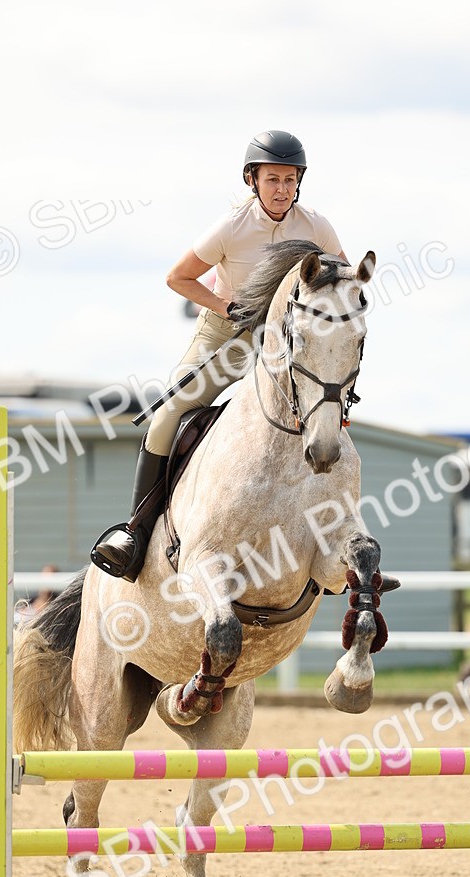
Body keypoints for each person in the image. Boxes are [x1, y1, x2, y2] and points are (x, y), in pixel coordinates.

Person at [90, 129, 345, 583]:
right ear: (253, 180)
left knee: (326, 408)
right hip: (227, 336)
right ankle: (134, 531)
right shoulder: (230, 228)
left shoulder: (316, 226)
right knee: (170, 412)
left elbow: (340, 276)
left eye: (290, 180)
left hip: (286, 343)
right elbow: (178, 278)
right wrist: (229, 307)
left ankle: (333, 541)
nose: (282, 189)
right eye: (273, 180)